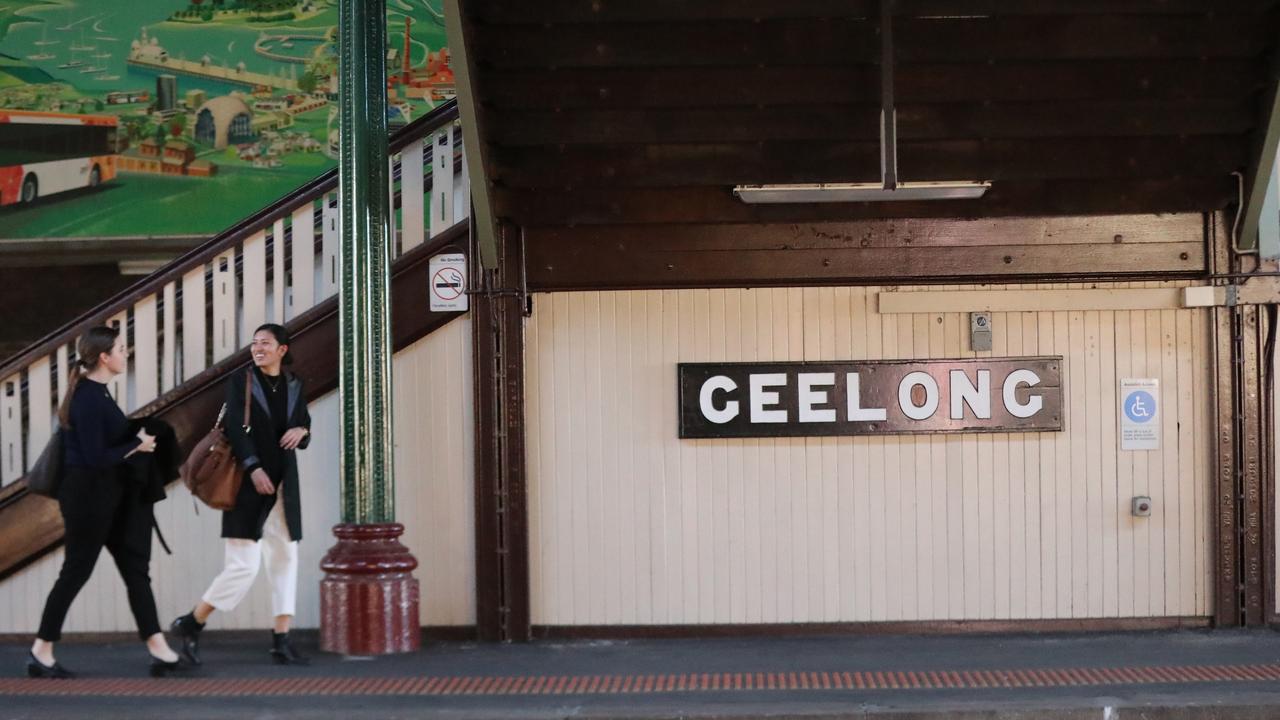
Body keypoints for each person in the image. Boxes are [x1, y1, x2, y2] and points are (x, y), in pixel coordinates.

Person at [29, 326, 183, 678]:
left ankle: (158, 647)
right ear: (104, 356)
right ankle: (41, 649)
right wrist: (138, 444)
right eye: (122, 348)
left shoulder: (98, 394)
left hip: (110, 495)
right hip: (87, 497)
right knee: (76, 571)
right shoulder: (86, 398)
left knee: (135, 569)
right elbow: (97, 456)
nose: (125, 354)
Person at [172, 323, 312, 666]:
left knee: (285, 560)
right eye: (254, 343)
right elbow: (234, 426)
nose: (257, 348)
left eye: (265, 343)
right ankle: (193, 621)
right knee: (242, 567)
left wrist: (301, 429)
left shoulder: (295, 384)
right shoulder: (242, 382)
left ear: (282, 349)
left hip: (283, 487)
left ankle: (282, 638)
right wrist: (253, 467)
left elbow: (303, 426)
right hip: (247, 484)